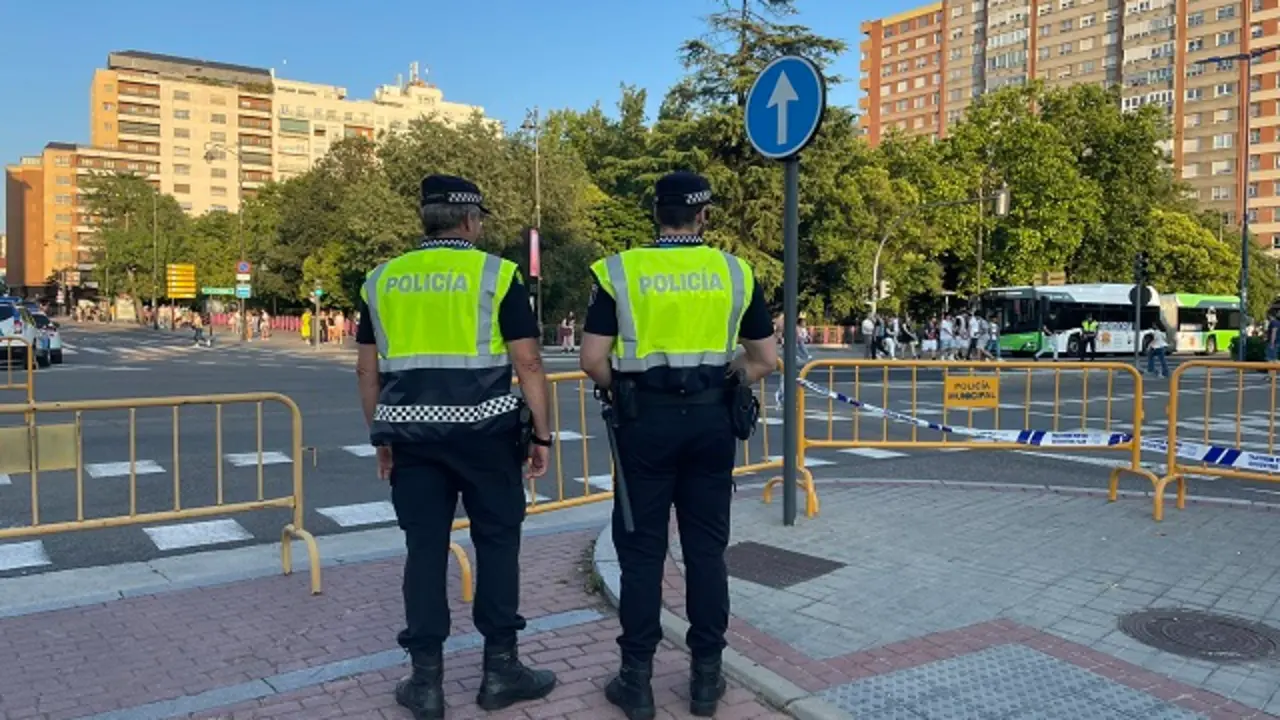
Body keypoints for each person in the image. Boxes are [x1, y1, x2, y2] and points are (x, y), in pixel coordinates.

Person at [355, 175, 558, 719]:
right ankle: (501, 671)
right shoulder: (496, 274)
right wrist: (541, 434)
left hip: (413, 441)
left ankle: (425, 684)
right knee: (497, 545)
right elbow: (529, 362)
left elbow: (367, 370)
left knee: (424, 552)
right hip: (487, 438)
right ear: (469, 221)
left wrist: (382, 436)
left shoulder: (382, 280)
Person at [578, 171, 777, 720]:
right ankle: (705, 681)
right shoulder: (735, 273)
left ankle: (635, 681)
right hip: (712, 425)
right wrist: (725, 376)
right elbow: (764, 359)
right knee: (706, 552)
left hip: (645, 425)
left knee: (641, 553)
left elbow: (593, 360)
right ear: (703, 215)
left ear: (656, 214)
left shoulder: (620, 270)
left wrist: (629, 388)